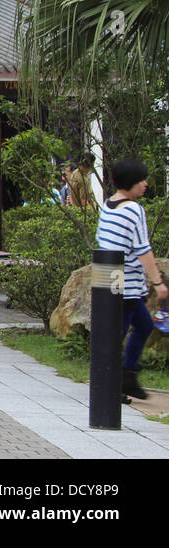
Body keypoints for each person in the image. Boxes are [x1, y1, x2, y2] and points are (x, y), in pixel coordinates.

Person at [96, 157, 167, 400]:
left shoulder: (108, 204)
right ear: (130, 182)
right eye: (141, 180)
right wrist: (158, 283)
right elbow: (143, 249)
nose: (145, 184)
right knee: (117, 335)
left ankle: (127, 375)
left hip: (110, 279)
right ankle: (112, 387)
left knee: (144, 325)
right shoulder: (134, 210)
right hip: (124, 285)